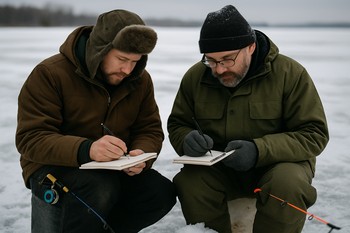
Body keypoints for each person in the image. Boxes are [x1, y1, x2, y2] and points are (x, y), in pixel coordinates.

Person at [167, 5, 329, 233]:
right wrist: (186, 140)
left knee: (287, 183)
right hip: (221, 170)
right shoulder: (196, 77)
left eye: (227, 60)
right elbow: (178, 123)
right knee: (190, 181)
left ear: (251, 47)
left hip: (277, 167)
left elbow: (314, 134)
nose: (220, 69)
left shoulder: (290, 74)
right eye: (211, 61)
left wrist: (259, 150)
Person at [16, 9, 176, 233]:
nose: (128, 70)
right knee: (99, 186)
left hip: (112, 167)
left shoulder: (139, 80)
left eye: (135, 61)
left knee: (159, 191)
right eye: (122, 59)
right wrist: (87, 149)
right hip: (53, 166)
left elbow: (149, 129)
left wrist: (141, 153)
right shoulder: (50, 74)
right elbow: (31, 139)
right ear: (100, 49)